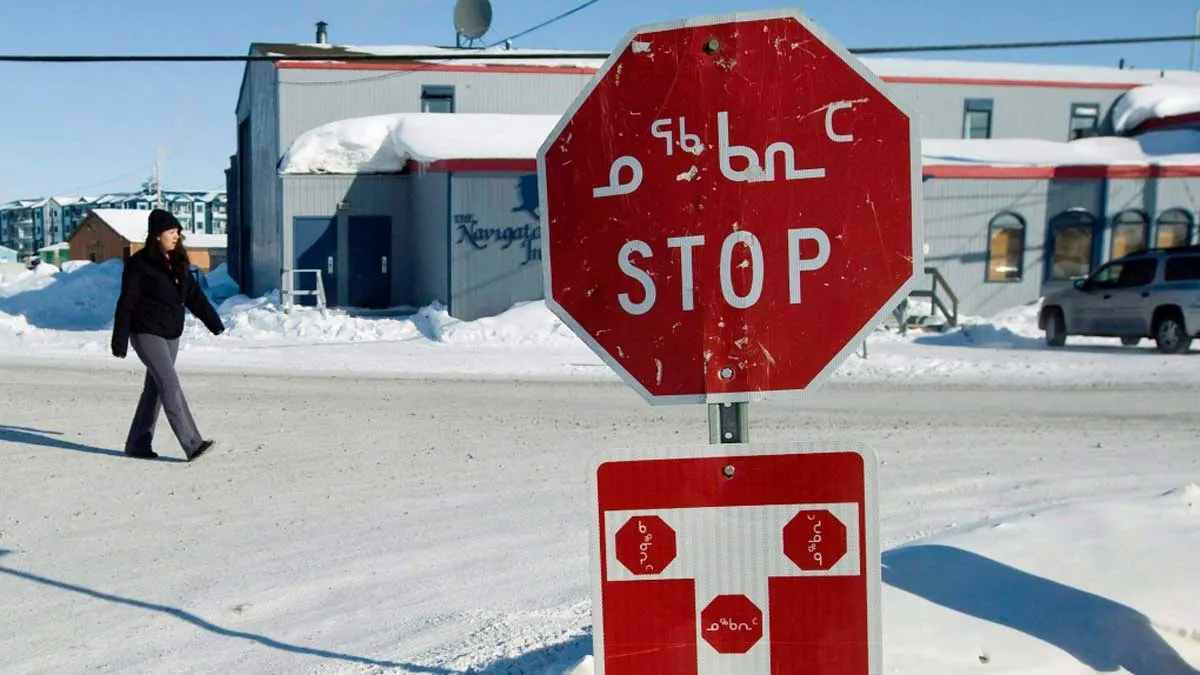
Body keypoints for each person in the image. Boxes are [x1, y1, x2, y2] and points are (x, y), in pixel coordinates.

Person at [111, 209, 225, 461]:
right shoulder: (139, 264)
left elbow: (194, 296)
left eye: (178, 232)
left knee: (155, 388)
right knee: (169, 383)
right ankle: (192, 443)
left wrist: (213, 321)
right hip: (146, 332)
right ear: (157, 235)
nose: (176, 236)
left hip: (171, 333)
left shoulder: (178, 262)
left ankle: (137, 444)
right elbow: (126, 301)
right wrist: (120, 338)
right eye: (172, 232)